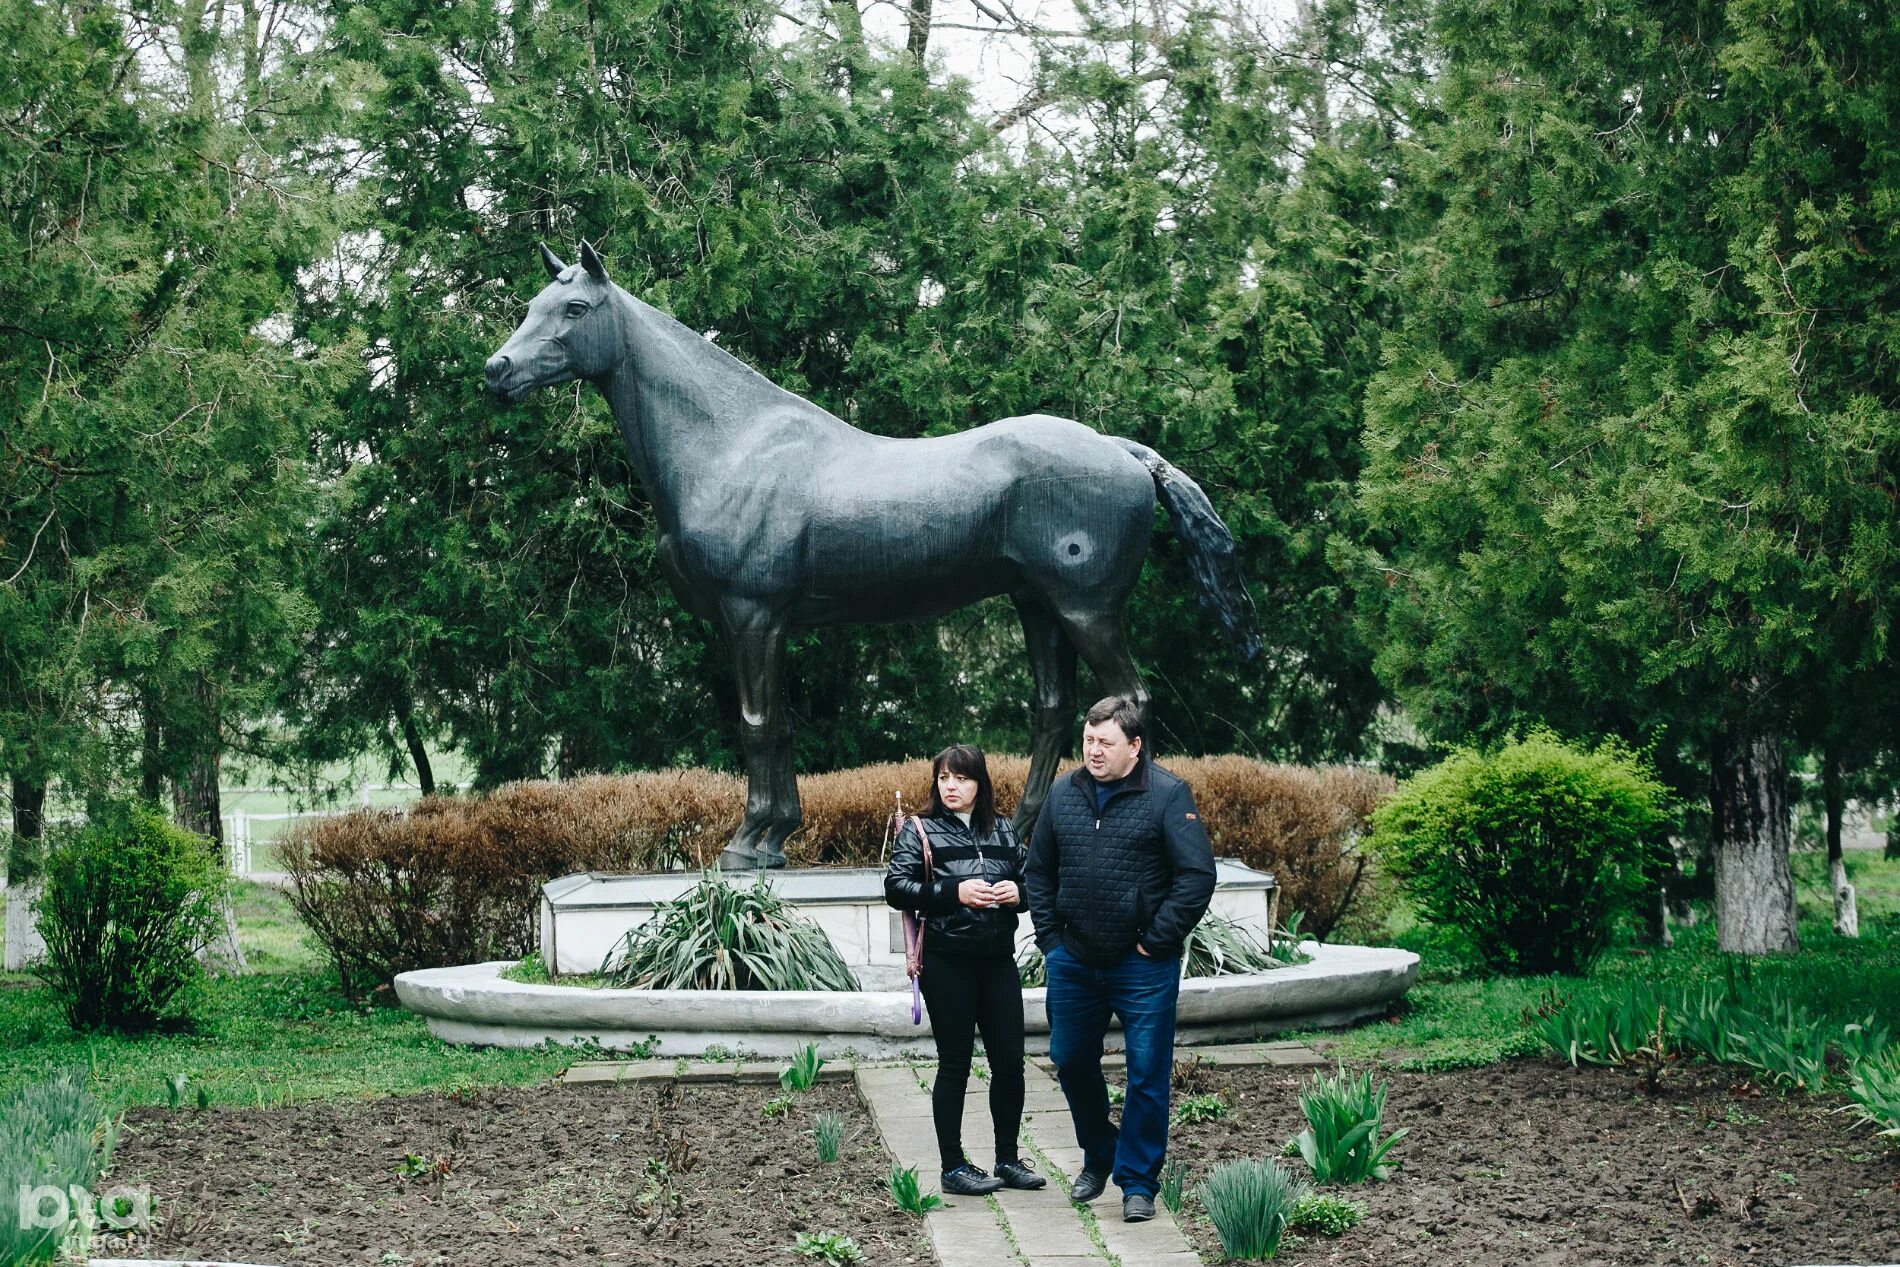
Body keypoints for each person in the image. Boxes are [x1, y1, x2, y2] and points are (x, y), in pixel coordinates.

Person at [1023, 695, 1216, 1224]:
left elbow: (1197, 876)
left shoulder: (1169, 794)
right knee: (1069, 1060)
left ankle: (1137, 1182)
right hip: (1074, 960)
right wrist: (1051, 941)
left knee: (1147, 1074)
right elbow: (1037, 871)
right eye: (1088, 740)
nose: (1094, 751)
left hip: (1142, 966)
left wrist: (1156, 940)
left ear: (1135, 745)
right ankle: (1100, 1150)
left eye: (1105, 742)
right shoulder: (1064, 790)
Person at [884, 744, 1047, 1196]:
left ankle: (1008, 1159)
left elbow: (1034, 881)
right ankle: (953, 1167)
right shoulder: (920, 829)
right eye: (944, 778)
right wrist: (954, 892)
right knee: (955, 1064)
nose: (951, 787)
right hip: (947, 962)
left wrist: (1020, 893)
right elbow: (896, 887)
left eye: (962, 778)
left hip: (997, 962)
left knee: (1010, 1063)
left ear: (980, 783)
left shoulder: (1004, 829)